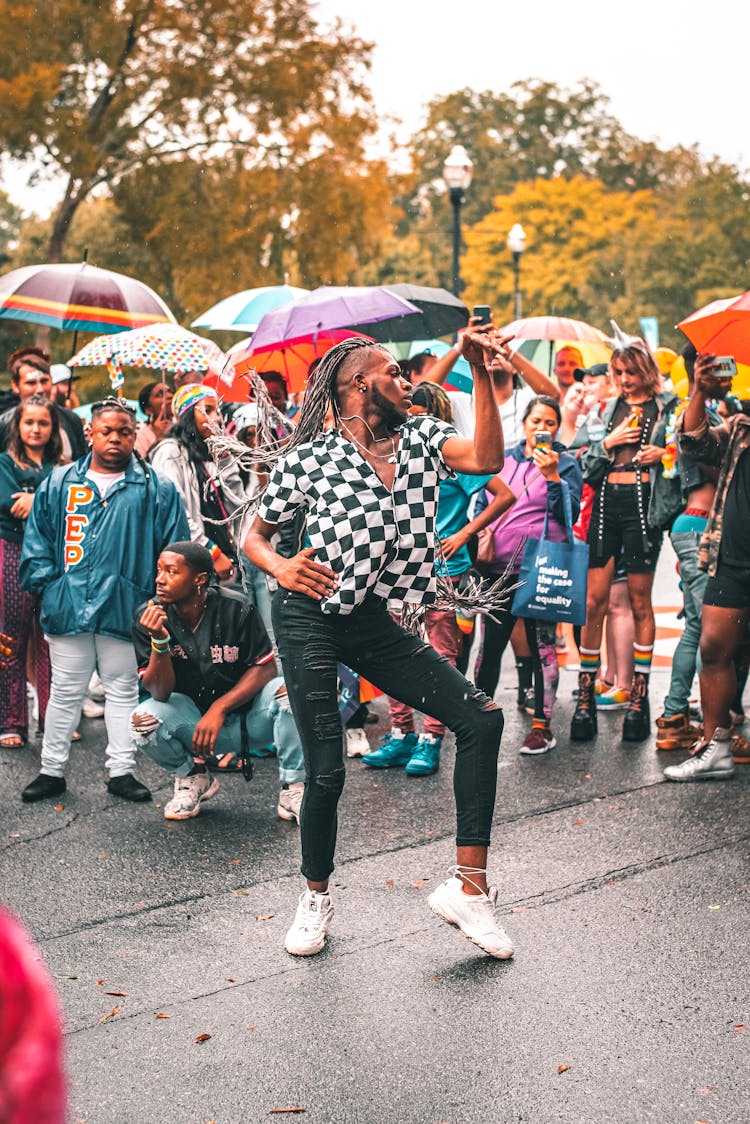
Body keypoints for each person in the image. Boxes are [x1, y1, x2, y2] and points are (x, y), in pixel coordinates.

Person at [244, 331, 513, 960]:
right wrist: (280, 568)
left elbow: (488, 460)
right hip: (307, 614)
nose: (409, 381)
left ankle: (469, 890)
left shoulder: (421, 439)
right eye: (394, 371)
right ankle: (314, 897)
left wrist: (481, 375)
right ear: (360, 385)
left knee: (480, 718)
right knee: (328, 769)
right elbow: (253, 536)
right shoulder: (309, 460)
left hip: (367, 617)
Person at [18, 397, 189, 803]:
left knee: (123, 690)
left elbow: (174, 548)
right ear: (89, 433)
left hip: (127, 608)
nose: (115, 438)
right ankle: (51, 770)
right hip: (68, 607)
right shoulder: (60, 482)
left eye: (124, 432)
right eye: (106, 431)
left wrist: (157, 600)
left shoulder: (154, 487)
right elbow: (38, 540)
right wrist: (51, 587)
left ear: (135, 434)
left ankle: (122, 770)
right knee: (63, 691)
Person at [362, 382, 515, 775]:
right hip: (396, 570)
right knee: (391, 653)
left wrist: (465, 532)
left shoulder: (450, 456)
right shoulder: (391, 453)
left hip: (445, 573)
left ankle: (432, 737)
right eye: (408, 415)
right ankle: (401, 734)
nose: (412, 422)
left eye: (421, 415)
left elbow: (504, 494)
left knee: (442, 656)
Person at [130, 542, 305, 822]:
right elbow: (159, 693)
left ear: (199, 579)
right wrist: (159, 641)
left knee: (290, 692)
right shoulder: (148, 615)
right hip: (193, 725)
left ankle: (293, 787)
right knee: (142, 722)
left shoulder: (235, 607)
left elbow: (265, 669)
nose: (159, 579)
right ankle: (193, 776)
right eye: (159, 570)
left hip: (248, 720)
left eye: (171, 572)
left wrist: (219, 708)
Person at [569, 325, 678, 743]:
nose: (625, 378)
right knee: (593, 602)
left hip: (642, 507)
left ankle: (639, 697)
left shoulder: (668, 407)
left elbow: (688, 452)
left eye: (631, 371)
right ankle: (584, 698)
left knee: (638, 603)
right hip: (604, 508)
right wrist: (608, 442)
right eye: (618, 371)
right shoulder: (604, 409)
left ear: (646, 370)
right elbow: (578, 463)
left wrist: (662, 454)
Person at [474, 396, 583, 754]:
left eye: (550, 422)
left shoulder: (566, 464)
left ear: (557, 428)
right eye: (536, 420)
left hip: (542, 570)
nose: (542, 428)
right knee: (489, 649)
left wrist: (552, 476)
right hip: (497, 571)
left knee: (543, 649)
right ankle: (479, 718)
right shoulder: (501, 461)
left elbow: (569, 513)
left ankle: (542, 726)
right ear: (524, 424)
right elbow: (481, 504)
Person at [663, 353, 750, 781]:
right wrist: (699, 388)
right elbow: (693, 444)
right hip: (732, 557)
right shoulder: (740, 428)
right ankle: (716, 747)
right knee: (714, 648)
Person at [0, 397, 62, 747]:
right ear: (18, 426)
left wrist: (33, 498)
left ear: (53, 428)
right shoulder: (4, 463)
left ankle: (54, 719)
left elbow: (61, 505)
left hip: (52, 557)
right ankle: (11, 721)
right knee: (12, 635)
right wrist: (45, 499)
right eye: (29, 422)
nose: (36, 428)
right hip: (11, 550)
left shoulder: (61, 467)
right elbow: (8, 503)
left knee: (50, 639)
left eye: (43, 423)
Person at [150, 384, 247, 584]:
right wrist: (212, 552)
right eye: (208, 410)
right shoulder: (171, 453)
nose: (217, 418)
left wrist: (226, 462)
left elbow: (239, 507)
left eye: (218, 411)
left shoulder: (209, 455)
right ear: (187, 416)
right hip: (194, 564)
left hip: (229, 561)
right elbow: (175, 511)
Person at [1, 348, 86, 462]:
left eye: (44, 381)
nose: (40, 389)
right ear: (15, 386)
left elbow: (80, 464)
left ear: (51, 380)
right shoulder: (4, 423)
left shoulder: (71, 419)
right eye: (31, 383)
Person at [134, 380, 173, 458]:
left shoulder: (182, 429)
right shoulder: (139, 437)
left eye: (170, 391)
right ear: (148, 409)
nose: (170, 396)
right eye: (160, 394)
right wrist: (159, 438)